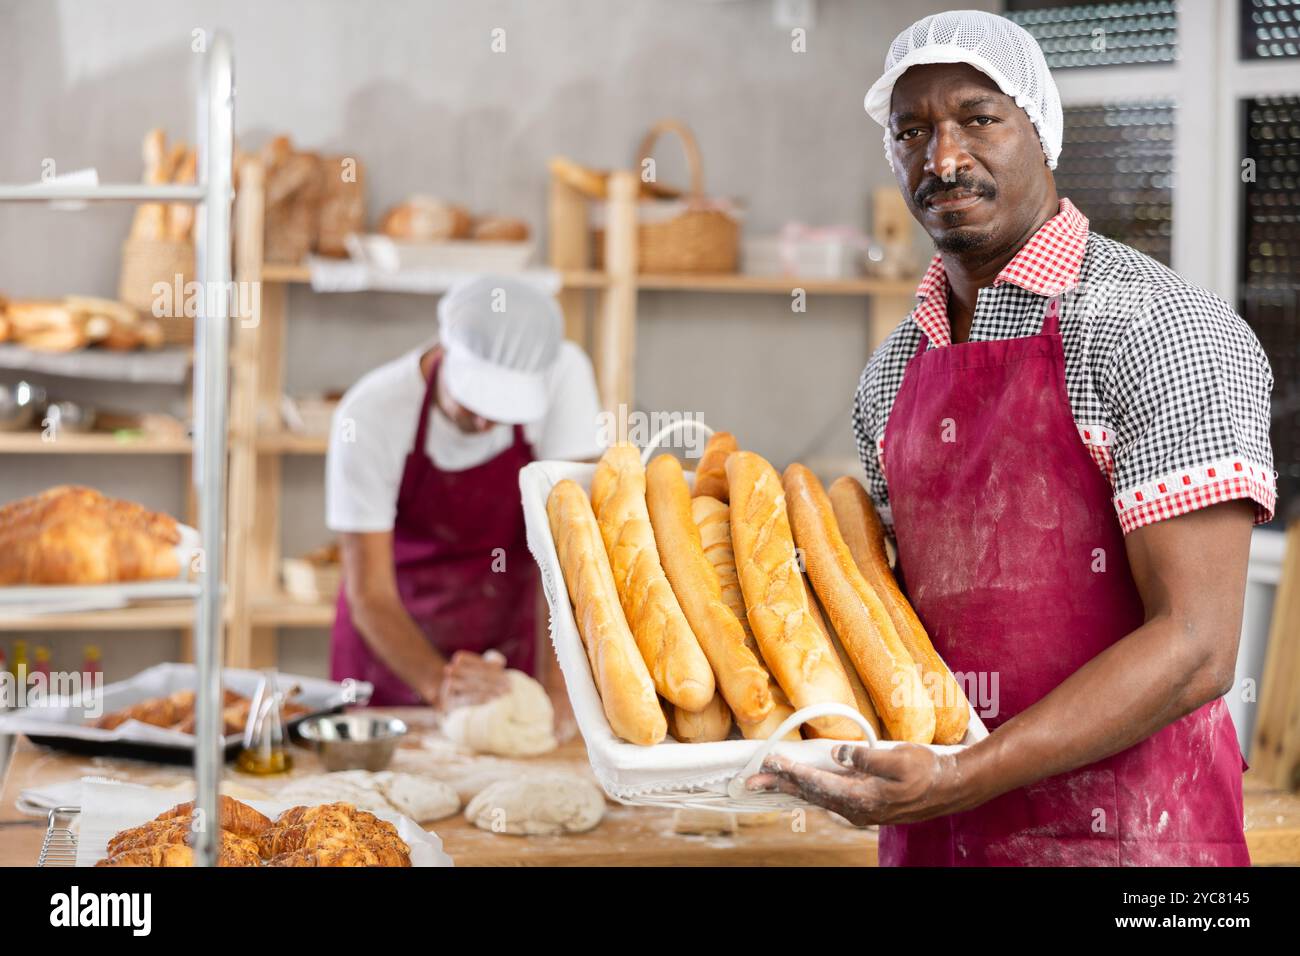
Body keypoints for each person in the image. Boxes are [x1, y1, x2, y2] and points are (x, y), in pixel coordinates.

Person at [747, 10, 1275, 866]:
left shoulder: (1160, 328)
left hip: (1136, 846)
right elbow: (889, 619)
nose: (943, 158)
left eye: (979, 118)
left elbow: (1197, 648)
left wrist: (963, 776)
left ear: (1042, 130)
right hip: (932, 840)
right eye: (912, 130)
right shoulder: (893, 371)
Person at [326, 276, 602, 710]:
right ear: (445, 351)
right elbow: (370, 595)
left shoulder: (564, 374)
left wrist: (559, 697)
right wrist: (439, 684)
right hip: (397, 649)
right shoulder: (369, 414)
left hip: (510, 637)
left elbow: (572, 559)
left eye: (506, 409)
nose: (488, 423)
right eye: (477, 404)